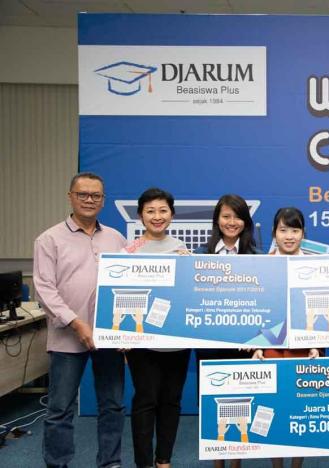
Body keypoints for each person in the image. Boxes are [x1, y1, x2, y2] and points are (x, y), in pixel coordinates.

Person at [33, 172, 126, 468]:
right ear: (70, 196)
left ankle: (110, 462)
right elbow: (44, 289)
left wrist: (129, 333)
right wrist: (76, 322)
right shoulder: (49, 239)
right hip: (67, 338)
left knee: (112, 406)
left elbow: (129, 282)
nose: (89, 200)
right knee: (60, 409)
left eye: (95, 195)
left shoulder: (116, 238)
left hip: (110, 337)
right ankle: (57, 464)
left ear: (103, 200)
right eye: (82, 194)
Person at [122, 188, 190, 468]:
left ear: (171, 215)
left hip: (177, 342)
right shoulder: (129, 252)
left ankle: (164, 460)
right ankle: (144, 463)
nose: (157, 216)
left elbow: (188, 296)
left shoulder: (182, 250)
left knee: (171, 401)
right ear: (140, 216)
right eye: (150, 211)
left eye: (163, 210)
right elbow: (120, 295)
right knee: (145, 401)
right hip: (142, 342)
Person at [194, 194, 260, 468]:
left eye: (238, 217)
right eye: (226, 216)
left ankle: (236, 464)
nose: (232, 222)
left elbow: (265, 304)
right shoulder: (199, 255)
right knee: (213, 410)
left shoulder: (258, 258)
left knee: (240, 408)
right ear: (217, 220)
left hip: (244, 346)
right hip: (210, 346)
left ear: (246, 221)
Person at [251, 207, 320, 468]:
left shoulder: (317, 267)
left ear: (303, 233)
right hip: (269, 347)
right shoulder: (261, 265)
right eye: (283, 230)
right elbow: (253, 306)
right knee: (272, 408)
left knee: (299, 409)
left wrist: (318, 345)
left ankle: (296, 465)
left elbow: (322, 310)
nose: (289, 236)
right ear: (274, 233)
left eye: (295, 230)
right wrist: (255, 345)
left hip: (303, 348)